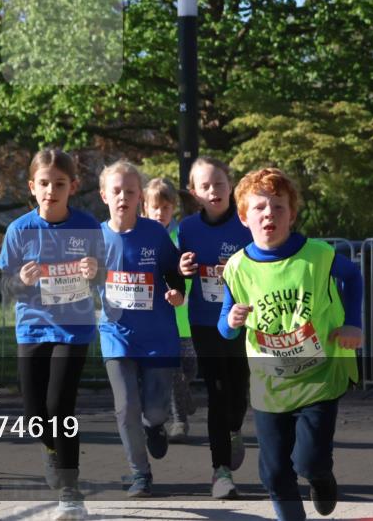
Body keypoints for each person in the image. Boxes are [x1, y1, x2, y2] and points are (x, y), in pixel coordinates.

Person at [220, 167, 362, 521]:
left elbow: (354, 276)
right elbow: (226, 329)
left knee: (307, 461)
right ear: (243, 217)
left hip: (318, 377)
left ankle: (320, 477)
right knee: (273, 473)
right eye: (260, 208)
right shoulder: (236, 268)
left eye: (279, 207)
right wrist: (232, 320)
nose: (270, 214)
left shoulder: (318, 255)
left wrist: (353, 323)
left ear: (292, 214)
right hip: (270, 383)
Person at [0, 148, 103, 521]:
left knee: (61, 406)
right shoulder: (20, 230)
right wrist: (20, 281)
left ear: (72, 187)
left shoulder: (89, 226)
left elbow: (104, 274)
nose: (51, 191)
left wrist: (95, 271)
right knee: (35, 416)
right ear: (32, 186)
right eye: (44, 183)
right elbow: (5, 285)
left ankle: (71, 492)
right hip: (32, 328)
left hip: (73, 328)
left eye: (59, 184)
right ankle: (50, 449)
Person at [97, 161, 185, 498]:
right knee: (125, 407)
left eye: (130, 191)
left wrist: (178, 293)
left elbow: (173, 271)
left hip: (158, 336)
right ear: (105, 195)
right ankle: (140, 474)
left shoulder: (154, 233)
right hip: (115, 334)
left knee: (155, 410)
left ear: (139, 197)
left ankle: (155, 426)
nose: (123, 197)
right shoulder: (95, 236)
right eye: (116, 191)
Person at [176, 157, 253, 498]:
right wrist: (184, 268)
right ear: (195, 193)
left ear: (230, 185)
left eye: (219, 184)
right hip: (205, 320)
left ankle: (234, 430)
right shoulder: (188, 229)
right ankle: (220, 472)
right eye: (205, 186)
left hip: (244, 319)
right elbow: (175, 272)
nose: (213, 191)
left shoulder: (245, 223)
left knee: (239, 390)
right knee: (218, 391)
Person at [142, 177, 197, 443]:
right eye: (155, 208)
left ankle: (185, 396)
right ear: (146, 209)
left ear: (172, 208)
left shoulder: (180, 236)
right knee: (173, 370)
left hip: (185, 317)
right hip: (161, 321)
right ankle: (180, 422)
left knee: (189, 369)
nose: (160, 213)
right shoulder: (145, 237)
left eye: (165, 208)